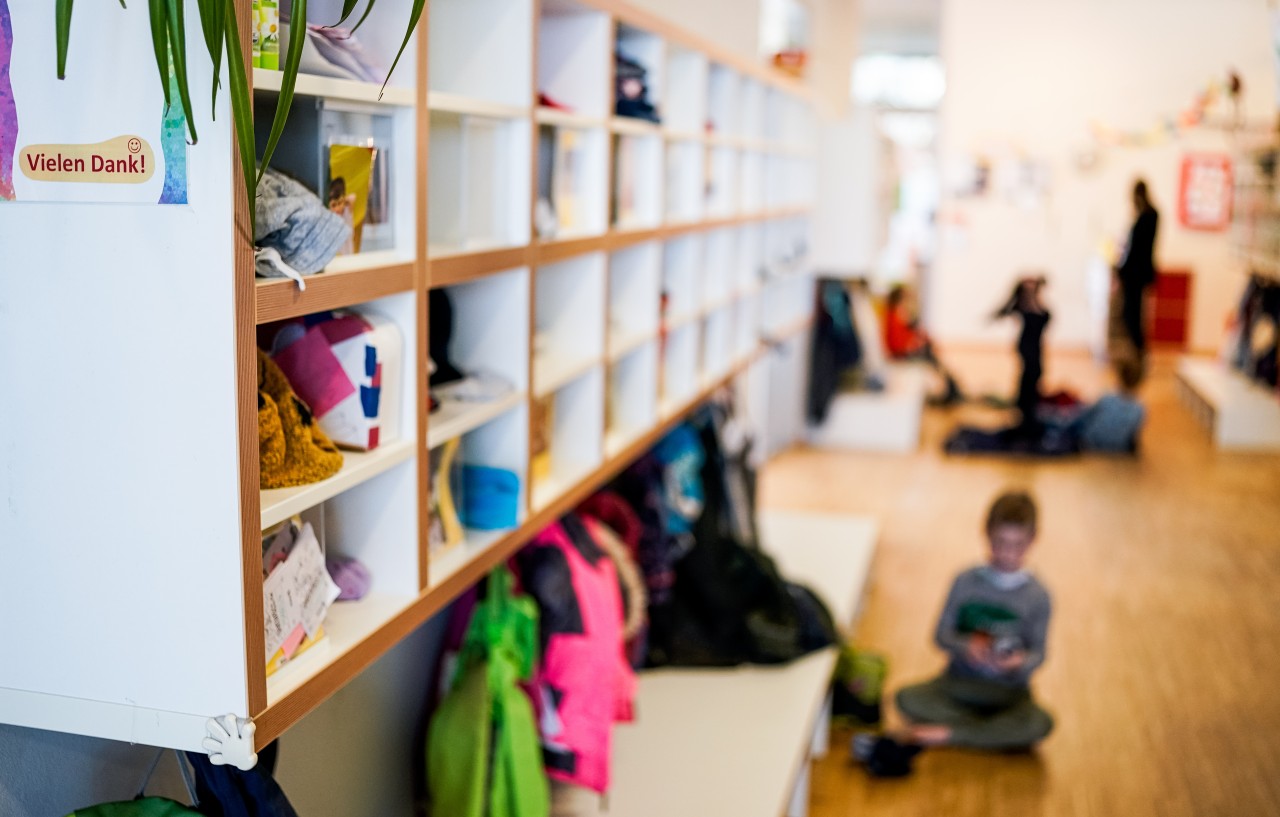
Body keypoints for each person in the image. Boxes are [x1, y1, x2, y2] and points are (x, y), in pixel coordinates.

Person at [853, 491, 1052, 776]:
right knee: (904, 699)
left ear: (1032, 540)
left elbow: (1039, 654)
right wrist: (965, 646)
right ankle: (984, 733)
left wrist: (1019, 662)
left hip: (1009, 692)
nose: (1007, 553)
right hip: (957, 684)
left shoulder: (1038, 596)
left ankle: (943, 733)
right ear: (986, 534)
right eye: (1000, 543)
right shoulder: (965, 581)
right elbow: (940, 636)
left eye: (1017, 545)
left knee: (1040, 723)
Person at [883, 284, 963, 405]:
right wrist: (916, 343)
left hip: (904, 352)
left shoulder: (901, 314)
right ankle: (951, 392)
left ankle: (952, 391)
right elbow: (898, 344)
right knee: (931, 358)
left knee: (932, 356)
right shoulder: (895, 315)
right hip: (899, 355)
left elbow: (915, 335)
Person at [993, 276, 1051, 437]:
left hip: (1035, 347)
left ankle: (1028, 408)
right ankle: (1025, 409)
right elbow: (1002, 312)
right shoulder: (1024, 306)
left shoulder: (1036, 304)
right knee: (1030, 375)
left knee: (1035, 374)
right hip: (1026, 347)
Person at [1115, 179, 1159, 358]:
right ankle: (1137, 350)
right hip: (1139, 272)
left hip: (1135, 273)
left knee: (1132, 313)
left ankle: (1138, 351)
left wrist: (1121, 269)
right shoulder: (1150, 215)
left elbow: (1136, 249)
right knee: (1133, 313)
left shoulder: (1146, 216)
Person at [1067, 355, 1146, 453]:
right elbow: (1133, 435)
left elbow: (1085, 416)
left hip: (1091, 442)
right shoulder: (1139, 409)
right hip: (1117, 447)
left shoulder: (1107, 397)